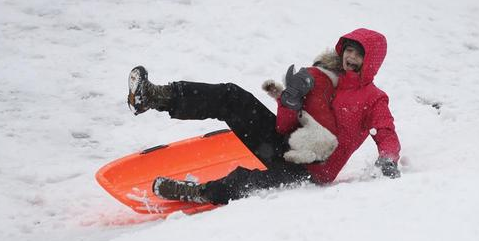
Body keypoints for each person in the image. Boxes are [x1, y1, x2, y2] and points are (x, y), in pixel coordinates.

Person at [127, 28, 401, 205]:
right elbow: (286, 123)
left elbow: (385, 130)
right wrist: (290, 100)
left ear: (371, 61)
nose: (350, 57)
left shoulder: (373, 98)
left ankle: (198, 193)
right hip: (285, 143)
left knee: (247, 181)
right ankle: (155, 96)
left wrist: (388, 158)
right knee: (232, 96)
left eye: (358, 54)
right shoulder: (322, 78)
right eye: (348, 50)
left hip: (310, 171)